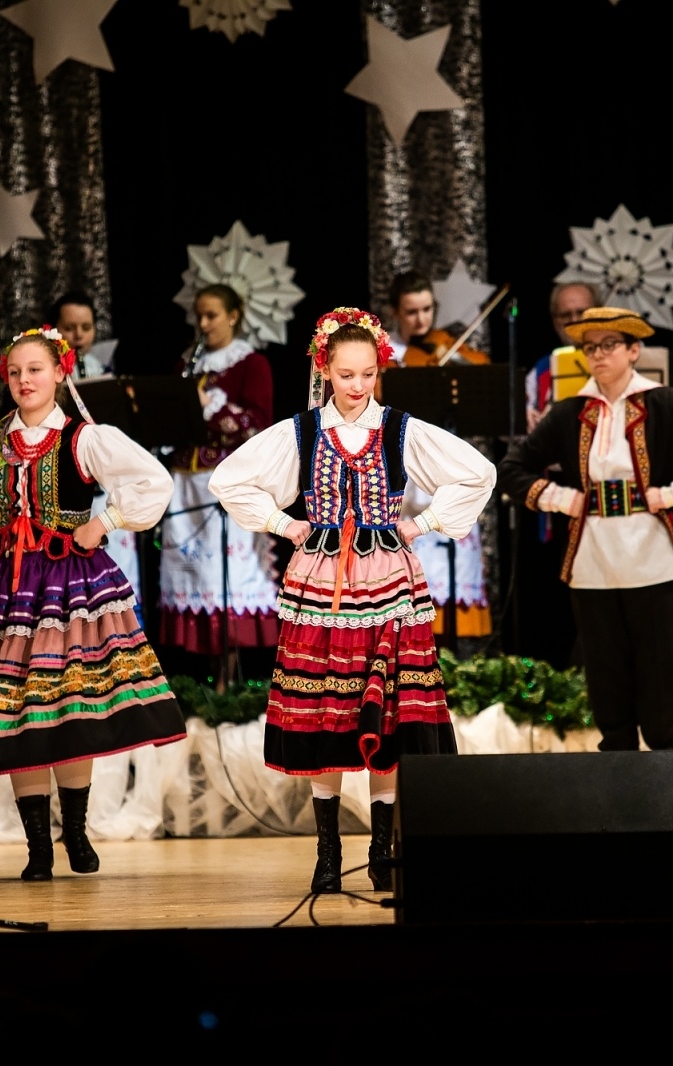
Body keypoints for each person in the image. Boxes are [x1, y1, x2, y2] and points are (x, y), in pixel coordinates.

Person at [209, 308, 496, 894]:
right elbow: (228, 480)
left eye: (368, 374)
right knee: (328, 710)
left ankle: (383, 848)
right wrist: (284, 524)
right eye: (346, 375)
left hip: (388, 579)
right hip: (321, 583)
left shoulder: (398, 429)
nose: (358, 385)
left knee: (385, 709)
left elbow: (477, 473)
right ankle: (327, 853)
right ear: (325, 370)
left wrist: (422, 523)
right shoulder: (302, 431)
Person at [0, 328, 186, 881]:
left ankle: (76, 832)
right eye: (15, 372)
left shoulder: (83, 439)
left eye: (35, 370)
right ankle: (38, 846)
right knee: (20, 713)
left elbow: (152, 482)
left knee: (70, 707)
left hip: (69, 586)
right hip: (6, 590)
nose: (24, 381)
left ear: (60, 373)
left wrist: (104, 522)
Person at [499, 307, 673, 753]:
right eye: (590, 347)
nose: (598, 354)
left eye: (609, 345)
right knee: (606, 676)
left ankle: (667, 776)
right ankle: (619, 775)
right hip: (592, 560)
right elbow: (512, 469)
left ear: (634, 350)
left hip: (653, 556)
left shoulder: (663, 402)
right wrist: (561, 498)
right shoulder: (570, 411)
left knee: (659, 676)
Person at [158, 284, 279, 668]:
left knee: (226, 575)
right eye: (200, 316)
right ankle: (202, 672)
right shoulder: (187, 364)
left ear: (233, 315)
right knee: (193, 575)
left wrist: (212, 407)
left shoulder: (251, 363)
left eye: (212, 315)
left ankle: (231, 672)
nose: (204, 323)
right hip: (185, 485)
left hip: (225, 484)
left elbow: (259, 425)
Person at [381, 272, 493, 642]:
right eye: (411, 312)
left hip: (444, 467)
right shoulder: (385, 356)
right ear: (395, 311)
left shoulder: (443, 347)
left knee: (452, 565)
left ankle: (456, 649)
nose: (421, 320)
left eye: (427, 310)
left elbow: (481, 373)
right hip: (404, 473)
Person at [48, 291, 142, 620]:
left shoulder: (104, 370)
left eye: (86, 327)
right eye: (69, 327)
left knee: (115, 562)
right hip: (62, 482)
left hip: (102, 483)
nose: (78, 335)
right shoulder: (47, 374)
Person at [524, 282, 600, 431]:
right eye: (565, 315)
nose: (574, 320)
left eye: (582, 312)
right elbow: (512, 429)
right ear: (555, 321)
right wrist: (528, 418)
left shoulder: (624, 356)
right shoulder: (543, 367)